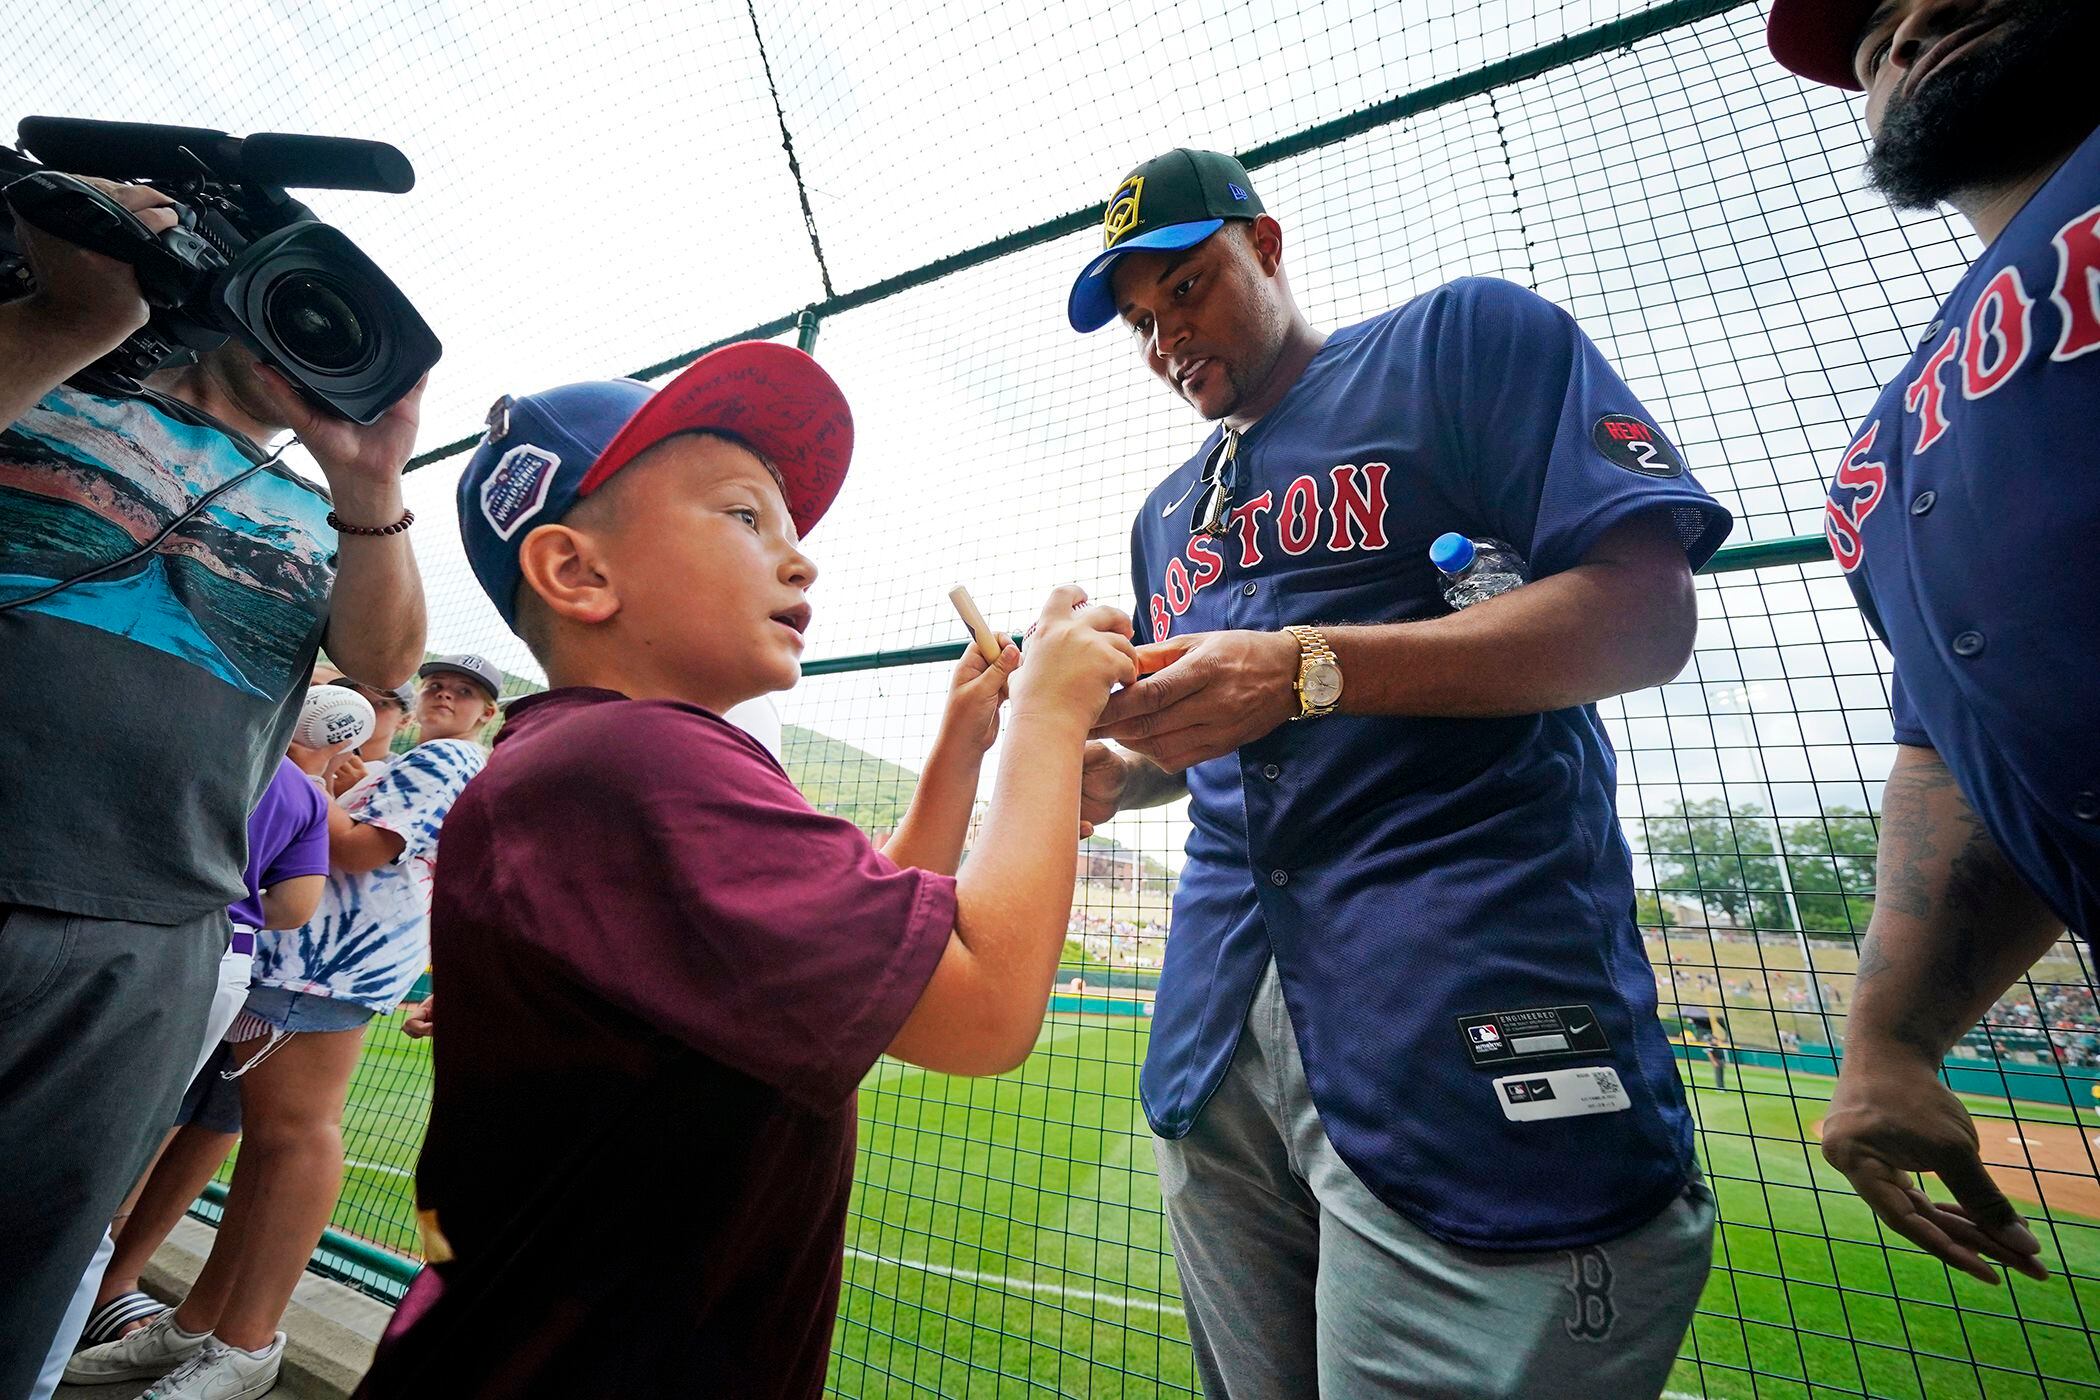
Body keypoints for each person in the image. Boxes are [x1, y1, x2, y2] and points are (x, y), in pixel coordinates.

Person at [1065, 149, 1734, 1397]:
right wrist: (1118, 764)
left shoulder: (1459, 341)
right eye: (1143, 322)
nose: (1168, 340)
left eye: (1190, 288)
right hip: (1219, 1038)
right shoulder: (1170, 512)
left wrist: (1308, 664)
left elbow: (1647, 618)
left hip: (1457, 997)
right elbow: (1229, 730)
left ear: (1266, 244)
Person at [353, 341, 1136, 1397]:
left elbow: (854, 966)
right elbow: (982, 1010)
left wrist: (964, 741)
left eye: (792, 527)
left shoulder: (582, 759)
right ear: (578, 572)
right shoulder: (637, 763)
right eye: (744, 515)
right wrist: (1049, 713)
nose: (801, 557)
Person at [0, 171, 429, 1390]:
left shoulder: (325, 512)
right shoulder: (55, 381)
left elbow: (387, 658)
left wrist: (371, 482)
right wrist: (73, 314)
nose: (309, 334)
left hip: (151, 934)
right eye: (297, 296)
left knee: (31, 1251)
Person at [1763, 0, 2099, 1289]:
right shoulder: (1890, 438)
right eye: (1873, 40)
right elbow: (1958, 749)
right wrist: (1890, 1039)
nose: (1909, 31)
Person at [65, 658, 497, 1394]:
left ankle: (246, 1345)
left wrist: (296, 763)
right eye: (436, 683)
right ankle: (200, 1326)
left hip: (327, 972)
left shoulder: (453, 757)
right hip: (295, 966)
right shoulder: (410, 762)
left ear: (488, 714)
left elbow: (360, 848)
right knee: (265, 1153)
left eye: (467, 691)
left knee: (293, 1142)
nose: (444, 694)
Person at [33, 754, 331, 1400]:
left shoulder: (216, 745)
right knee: (104, 1163)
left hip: (114, 923)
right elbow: (294, 904)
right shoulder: (306, 796)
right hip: (224, 958)